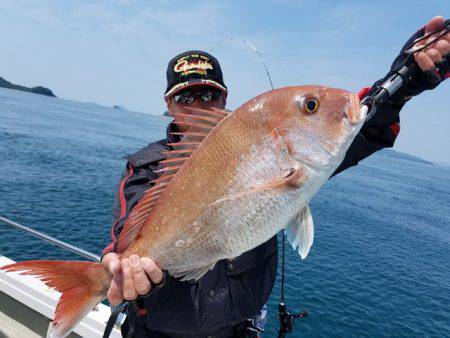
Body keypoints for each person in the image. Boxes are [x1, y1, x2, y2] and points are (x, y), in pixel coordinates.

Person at [102, 16, 449, 338]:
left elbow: (355, 129)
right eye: (186, 96)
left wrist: (403, 82)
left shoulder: (278, 148)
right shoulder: (148, 166)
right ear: (169, 103)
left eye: (210, 94)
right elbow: (127, 227)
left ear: (225, 97)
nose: (199, 105)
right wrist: (116, 262)